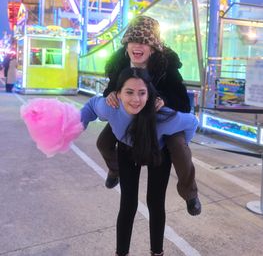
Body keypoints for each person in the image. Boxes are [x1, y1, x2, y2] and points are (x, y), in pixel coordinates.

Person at [21, 67, 198, 256]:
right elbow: (90, 107)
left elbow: (192, 123)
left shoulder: (163, 117)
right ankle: (121, 253)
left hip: (157, 151)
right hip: (126, 148)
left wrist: (175, 144)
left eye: (142, 93)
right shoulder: (110, 107)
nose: (136, 99)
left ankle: (157, 253)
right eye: (129, 92)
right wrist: (74, 124)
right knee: (128, 203)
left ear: (150, 95)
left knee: (155, 202)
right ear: (118, 94)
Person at [97, 15, 201, 216]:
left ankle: (190, 193)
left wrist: (164, 100)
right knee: (103, 142)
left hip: (161, 118)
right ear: (126, 44)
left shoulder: (166, 67)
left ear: (153, 48)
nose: (138, 46)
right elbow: (110, 89)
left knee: (179, 148)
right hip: (129, 116)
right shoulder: (119, 65)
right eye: (133, 41)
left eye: (144, 42)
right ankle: (114, 169)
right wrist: (110, 94)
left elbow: (181, 100)